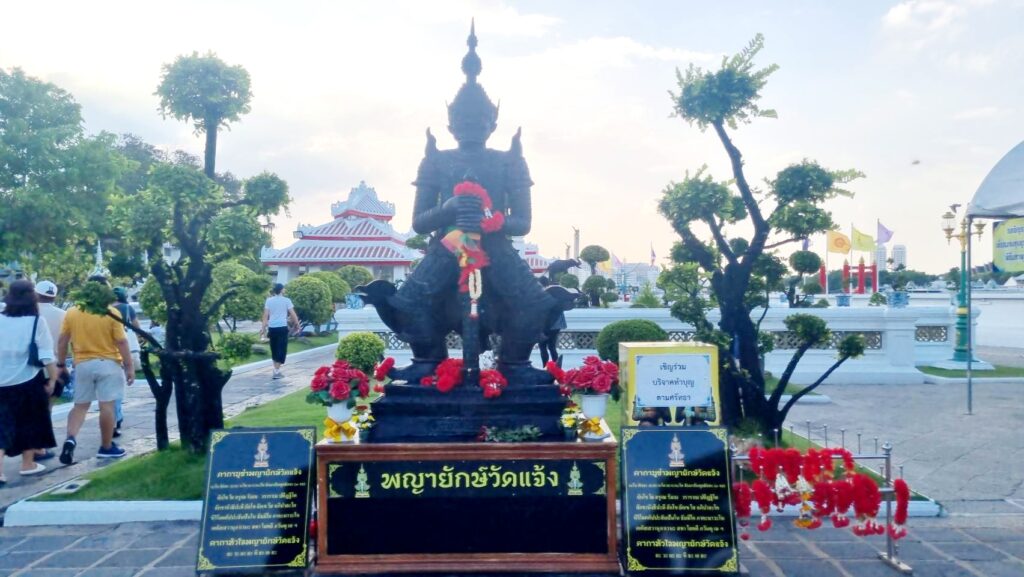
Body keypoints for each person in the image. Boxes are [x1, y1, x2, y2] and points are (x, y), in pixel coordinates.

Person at [56, 277, 134, 463]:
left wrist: (61, 364)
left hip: (82, 364)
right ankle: (106, 447)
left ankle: (71, 438)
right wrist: (129, 366)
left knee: (80, 406)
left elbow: (63, 341)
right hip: (108, 363)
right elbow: (121, 341)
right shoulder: (111, 312)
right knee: (107, 406)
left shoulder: (73, 312)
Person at [0, 280, 59, 481]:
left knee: (2, 424)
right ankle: (28, 464)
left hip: (1, 381)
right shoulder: (36, 321)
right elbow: (46, 355)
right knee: (30, 421)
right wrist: (53, 379)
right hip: (28, 379)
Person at [34, 280, 67, 460]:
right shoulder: (63, 315)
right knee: (47, 407)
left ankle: (35, 446)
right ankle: (40, 445)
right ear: (54, 297)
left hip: (31, 366)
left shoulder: (28, 312)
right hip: (54, 366)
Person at [112, 287, 141, 438]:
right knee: (119, 387)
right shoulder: (127, 308)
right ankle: (117, 417)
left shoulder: (105, 309)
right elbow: (137, 327)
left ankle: (116, 417)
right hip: (126, 348)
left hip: (110, 351)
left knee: (111, 388)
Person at [261, 283, 298, 379]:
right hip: (282, 327)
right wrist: (297, 324)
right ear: (281, 290)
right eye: (284, 288)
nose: (285, 290)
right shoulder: (286, 300)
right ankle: (276, 371)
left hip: (272, 327)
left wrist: (263, 328)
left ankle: (276, 370)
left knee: (274, 348)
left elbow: (265, 315)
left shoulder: (269, 300)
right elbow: (293, 314)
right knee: (281, 348)